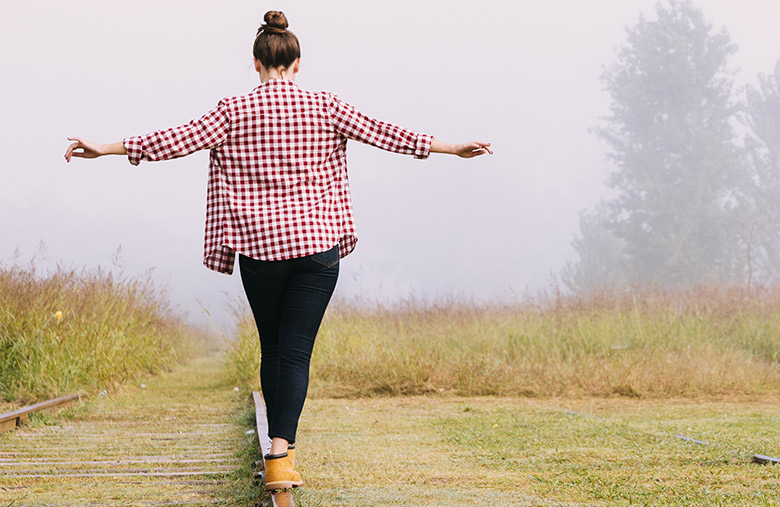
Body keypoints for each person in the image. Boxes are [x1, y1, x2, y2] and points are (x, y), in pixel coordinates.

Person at [64, 10, 491, 491]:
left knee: (272, 348)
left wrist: (105, 148)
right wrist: (451, 147)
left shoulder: (232, 111)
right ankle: (280, 453)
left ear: (255, 63)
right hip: (316, 248)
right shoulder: (325, 105)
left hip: (259, 250)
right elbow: (386, 133)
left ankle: (279, 451)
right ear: (298, 63)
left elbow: (171, 140)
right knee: (296, 353)